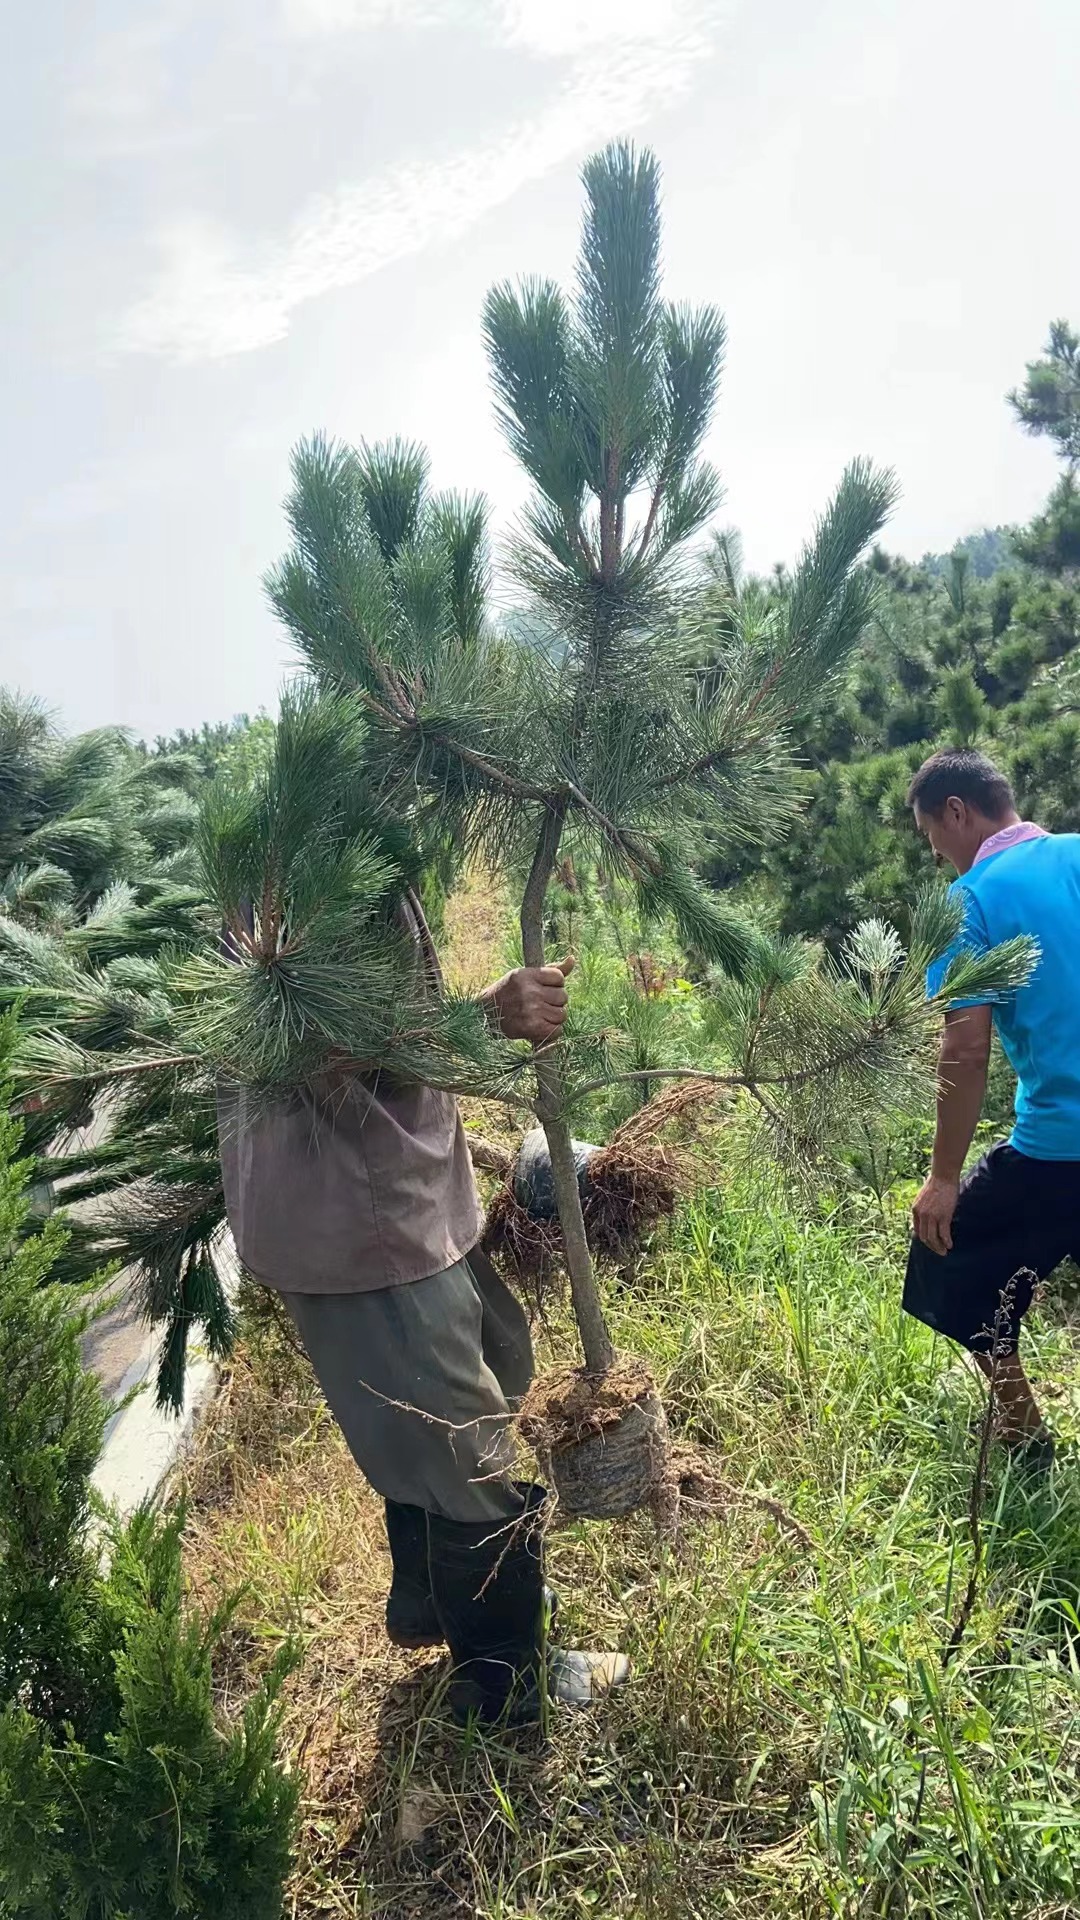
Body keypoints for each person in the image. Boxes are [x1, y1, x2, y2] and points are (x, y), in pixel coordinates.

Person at [216, 888, 627, 1724]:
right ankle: (507, 1685)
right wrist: (488, 1014)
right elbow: (315, 1045)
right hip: (361, 1224)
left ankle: (430, 1602)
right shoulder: (298, 866)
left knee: (502, 1362)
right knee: (470, 1452)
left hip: (405, 1193)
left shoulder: (364, 835)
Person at [904, 748, 1080, 1472]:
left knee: (949, 1256)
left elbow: (966, 1052)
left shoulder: (969, 901)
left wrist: (944, 1178)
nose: (938, 856)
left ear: (956, 811)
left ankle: (1024, 1434)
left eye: (930, 838)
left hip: (1060, 1145)